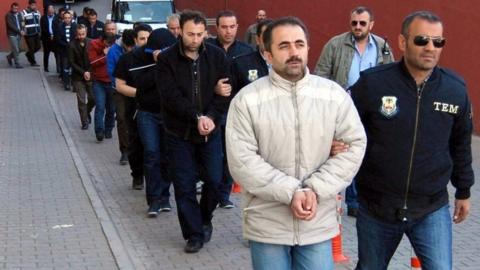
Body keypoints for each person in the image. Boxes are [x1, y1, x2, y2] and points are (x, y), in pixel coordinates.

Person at [226, 17, 366, 270]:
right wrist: (292, 191)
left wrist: (314, 189)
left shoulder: (332, 95)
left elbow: (354, 145)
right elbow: (242, 161)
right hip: (268, 223)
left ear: (308, 49)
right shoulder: (247, 100)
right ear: (267, 54)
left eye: (299, 44)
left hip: (317, 222)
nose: (293, 52)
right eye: (284, 46)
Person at [350, 11, 474, 270]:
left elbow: (461, 144)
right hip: (377, 207)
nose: (430, 48)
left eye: (438, 42)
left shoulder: (455, 90)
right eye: (422, 40)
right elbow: (346, 132)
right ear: (403, 42)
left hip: (431, 207)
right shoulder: (373, 84)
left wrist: (463, 190)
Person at [156, 10, 231, 253]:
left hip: (211, 131)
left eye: (200, 34)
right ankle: (194, 234)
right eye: (190, 34)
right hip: (179, 132)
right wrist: (196, 116)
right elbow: (170, 96)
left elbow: (226, 92)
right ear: (179, 31)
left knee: (214, 179)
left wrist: (210, 116)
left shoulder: (217, 56)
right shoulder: (167, 59)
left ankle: (204, 216)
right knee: (184, 185)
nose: (195, 39)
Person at [314, 6, 395, 217]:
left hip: (373, 109)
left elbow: (392, 76)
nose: (357, 27)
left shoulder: (382, 46)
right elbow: (321, 75)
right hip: (344, 108)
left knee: (371, 150)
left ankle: (367, 194)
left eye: (362, 23)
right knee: (348, 151)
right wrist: (334, 97)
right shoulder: (335, 44)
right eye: (354, 23)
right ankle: (352, 200)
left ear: (371, 25)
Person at [116, 28, 176, 216]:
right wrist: (159, 65)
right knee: (151, 154)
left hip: (169, 114)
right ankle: (154, 200)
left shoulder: (175, 59)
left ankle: (165, 196)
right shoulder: (132, 59)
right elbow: (134, 85)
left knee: (167, 156)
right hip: (146, 113)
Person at [206, 10, 253, 209]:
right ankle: (211, 190)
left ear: (237, 27)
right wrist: (213, 88)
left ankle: (223, 195)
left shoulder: (246, 51)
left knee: (230, 154)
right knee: (212, 154)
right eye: (224, 27)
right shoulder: (206, 49)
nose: (228, 31)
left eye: (232, 27)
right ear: (217, 28)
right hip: (213, 110)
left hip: (237, 111)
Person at [113, 24, 152, 188]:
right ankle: (137, 175)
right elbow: (119, 85)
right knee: (136, 146)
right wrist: (140, 93)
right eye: (142, 38)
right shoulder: (126, 59)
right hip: (134, 109)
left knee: (152, 148)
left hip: (153, 111)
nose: (145, 42)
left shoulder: (158, 59)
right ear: (135, 40)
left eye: (149, 38)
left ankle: (153, 179)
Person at [230, 18, 272, 95]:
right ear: (258, 39)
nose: (269, 40)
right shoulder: (241, 64)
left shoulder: (287, 63)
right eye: (265, 36)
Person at [88, 31, 117, 142]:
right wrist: (104, 55)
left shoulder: (115, 47)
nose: (109, 46)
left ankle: (108, 129)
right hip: (99, 81)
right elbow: (93, 62)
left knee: (111, 108)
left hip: (111, 81)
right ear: (103, 40)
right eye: (107, 43)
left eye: (111, 44)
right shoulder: (94, 44)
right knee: (100, 106)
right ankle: (99, 131)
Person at [68, 24, 94, 130]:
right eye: (79, 34)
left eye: (83, 34)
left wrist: (89, 72)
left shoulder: (92, 42)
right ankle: (84, 121)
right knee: (81, 100)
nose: (81, 36)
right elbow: (71, 62)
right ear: (76, 34)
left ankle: (87, 111)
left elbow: (95, 59)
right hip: (78, 77)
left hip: (91, 75)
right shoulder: (71, 45)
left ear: (86, 32)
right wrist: (83, 72)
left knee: (94, 98)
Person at [56, 11, 76, 90]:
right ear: (63, 19)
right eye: (65, 18)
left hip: (74, 51)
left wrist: (72, 46)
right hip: (64, 51)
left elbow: (76, 38)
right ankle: (66, 84)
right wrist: (66, 45)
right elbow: (58, 39)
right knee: (65, 68)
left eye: (69, 18)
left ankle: (74, 84)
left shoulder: (75, 26)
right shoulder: (60, 26)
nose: (67, 19)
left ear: (71, 18)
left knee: (74, 68)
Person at [22, 0, 41, 66]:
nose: (34, 6)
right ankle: (33, 62)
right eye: (32, 5)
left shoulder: (37, 12)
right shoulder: (24, 12)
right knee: (31, 48)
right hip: (28, 34)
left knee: (38, 46)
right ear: (29, 5)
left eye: (35, 5)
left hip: (36, 33)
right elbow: (22, 22)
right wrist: (23, 30)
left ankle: (28, 54)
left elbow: (39, 22)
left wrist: (39, 31)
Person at [5, 2, 24, 69]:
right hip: (12, 35)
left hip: (19, 34)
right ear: (11, 8)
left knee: (20, 49)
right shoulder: (8, 15)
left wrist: (23, 29)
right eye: (14, 8)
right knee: (16, 49)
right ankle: (17, 63)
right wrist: (20, 31)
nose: (15, 9)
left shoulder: (19, 14)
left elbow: (22, 22)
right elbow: (11, 26)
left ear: (18, 8)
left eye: (16, 8)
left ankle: (9, 57)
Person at [40, 5, 57, 72]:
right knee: (46, 54)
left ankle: (58, 67)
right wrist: (50, 35)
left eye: (52, 11)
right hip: (46, 38)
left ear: (54, 11)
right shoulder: (43, 18)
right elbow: (43, 29)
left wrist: (54, 35)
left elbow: (58, 27)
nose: (51, 13)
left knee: (56, 54)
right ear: (47, 11)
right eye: (49, 12)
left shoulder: (56, 17)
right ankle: (46, 67)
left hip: (55, 39)